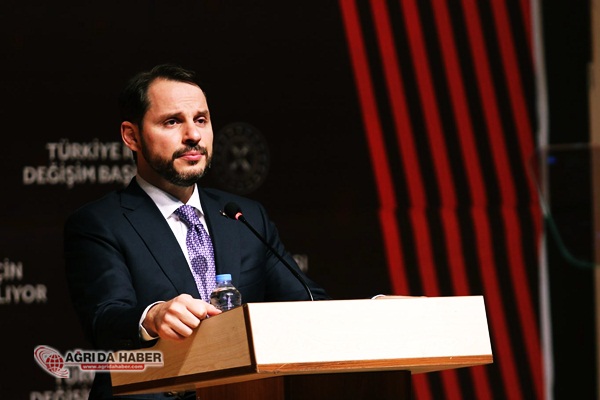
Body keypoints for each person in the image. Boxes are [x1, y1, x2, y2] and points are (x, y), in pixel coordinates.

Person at [64, 64, 330, 399]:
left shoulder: (245, 215)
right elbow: (104, 320)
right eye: (172, 122)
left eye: (201, 119)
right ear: (132, 136)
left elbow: (308, 304)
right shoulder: (99, 222)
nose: (193, 135)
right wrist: (152, 317)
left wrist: (374, 314)